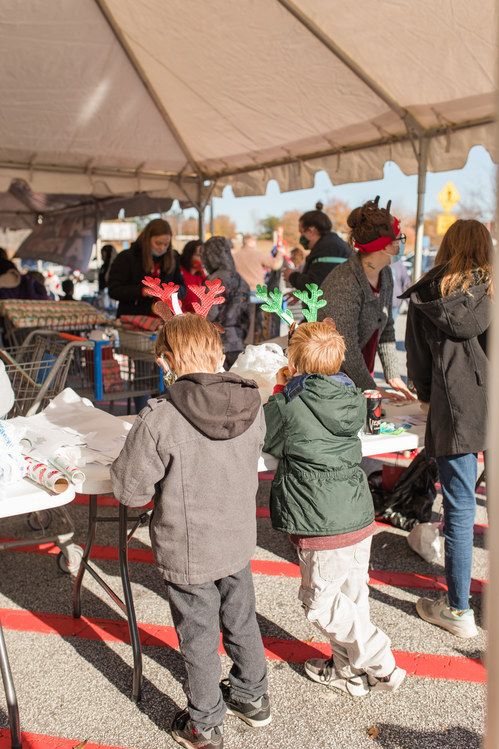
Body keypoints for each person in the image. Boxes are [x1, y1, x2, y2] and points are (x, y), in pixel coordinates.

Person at [111, 313, 270, 749]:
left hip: (189, 547)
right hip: (237, 536)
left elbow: (129, 492)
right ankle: (252, 697)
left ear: (165, 361)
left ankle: (204, 724)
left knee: (198, 636)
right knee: (241, 617)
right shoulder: (252, 403)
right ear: (218, 354)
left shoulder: (160, 418)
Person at [263, 321, 406, 697]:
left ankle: (380, 659)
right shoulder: (353, 397)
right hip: (357, 514)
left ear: (294, 362)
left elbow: (267, 435)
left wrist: (281, 388)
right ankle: (348, 673)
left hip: (320, 521)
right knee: (353, 598)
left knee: (320, 605)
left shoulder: (288, 403)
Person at [401, 219, 491, 638]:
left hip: (455, 410)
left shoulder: (427, 295)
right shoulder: (493, 290)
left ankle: (459, 610)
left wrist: (426, 396)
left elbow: (418, 362)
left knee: (460, 508)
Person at [318, 197, 414, 400]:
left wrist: (392, 375)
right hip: (333, 381)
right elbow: (346, 347)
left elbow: (386, 327)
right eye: (399, 238)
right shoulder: (344, 282)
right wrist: (372, 388)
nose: (402, 243)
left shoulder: (385, 274)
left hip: (360, 376)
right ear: (385, 246)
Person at [108, 218, 185, 318]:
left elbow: (182, 288)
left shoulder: (173, 258)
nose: (162, 248)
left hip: (165, 319)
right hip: (133, 318)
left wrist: (172, 292)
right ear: (147, 239)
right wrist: (141, 291)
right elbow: (114, 290)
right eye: (158, 243)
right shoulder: (127, 257)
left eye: (166, 244)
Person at [202, 236, 250, 369]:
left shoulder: (214, 280)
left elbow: (209, 314)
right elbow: (246, 315)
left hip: (217, 344)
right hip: (238, 341)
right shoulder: (240, 279)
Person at [282, 202, 351, 290]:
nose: (301, 237)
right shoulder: (331, 245)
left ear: (311, 231)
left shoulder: (328, 249)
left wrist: (291, 276)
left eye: (301, 232)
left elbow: (315, 285)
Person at [179, 239, 207, 312]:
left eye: (203, 256)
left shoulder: (201, 274)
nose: (201, 259)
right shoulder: (179, 273)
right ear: (188, 255)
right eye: (198, 255)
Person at [391, 258, 411, 323]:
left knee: (390, 325)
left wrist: (409, 303)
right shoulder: (380, 260)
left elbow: (406, 284)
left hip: (395, 302)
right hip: (383, 301)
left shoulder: (399, 264)